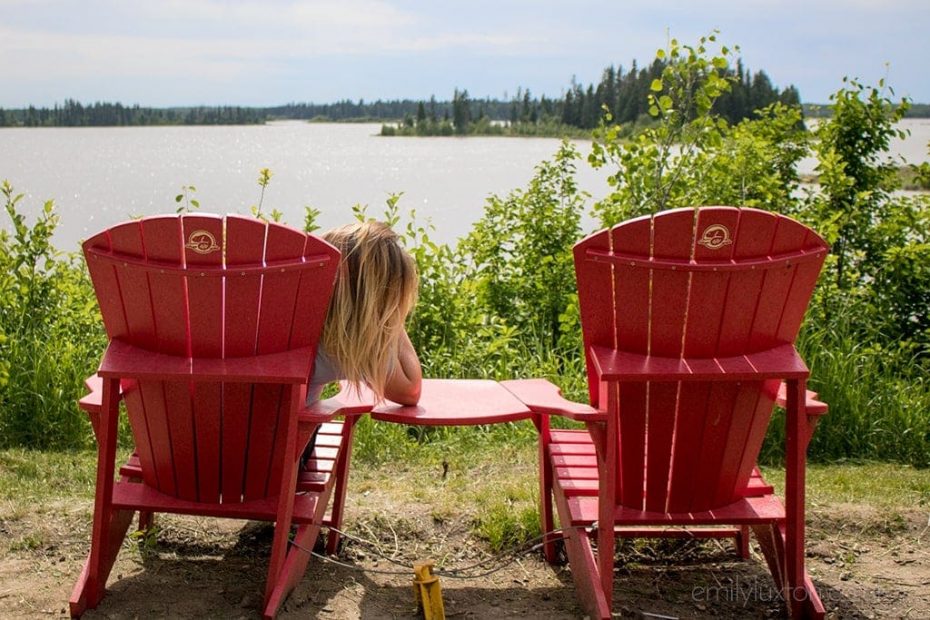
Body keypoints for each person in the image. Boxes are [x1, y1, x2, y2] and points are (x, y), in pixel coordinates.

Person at [303, 220, 422, 463]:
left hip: (207, 459)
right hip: (280, 463)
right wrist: (390, 315)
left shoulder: (281, 318)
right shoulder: (344, 343)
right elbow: (410, 390)